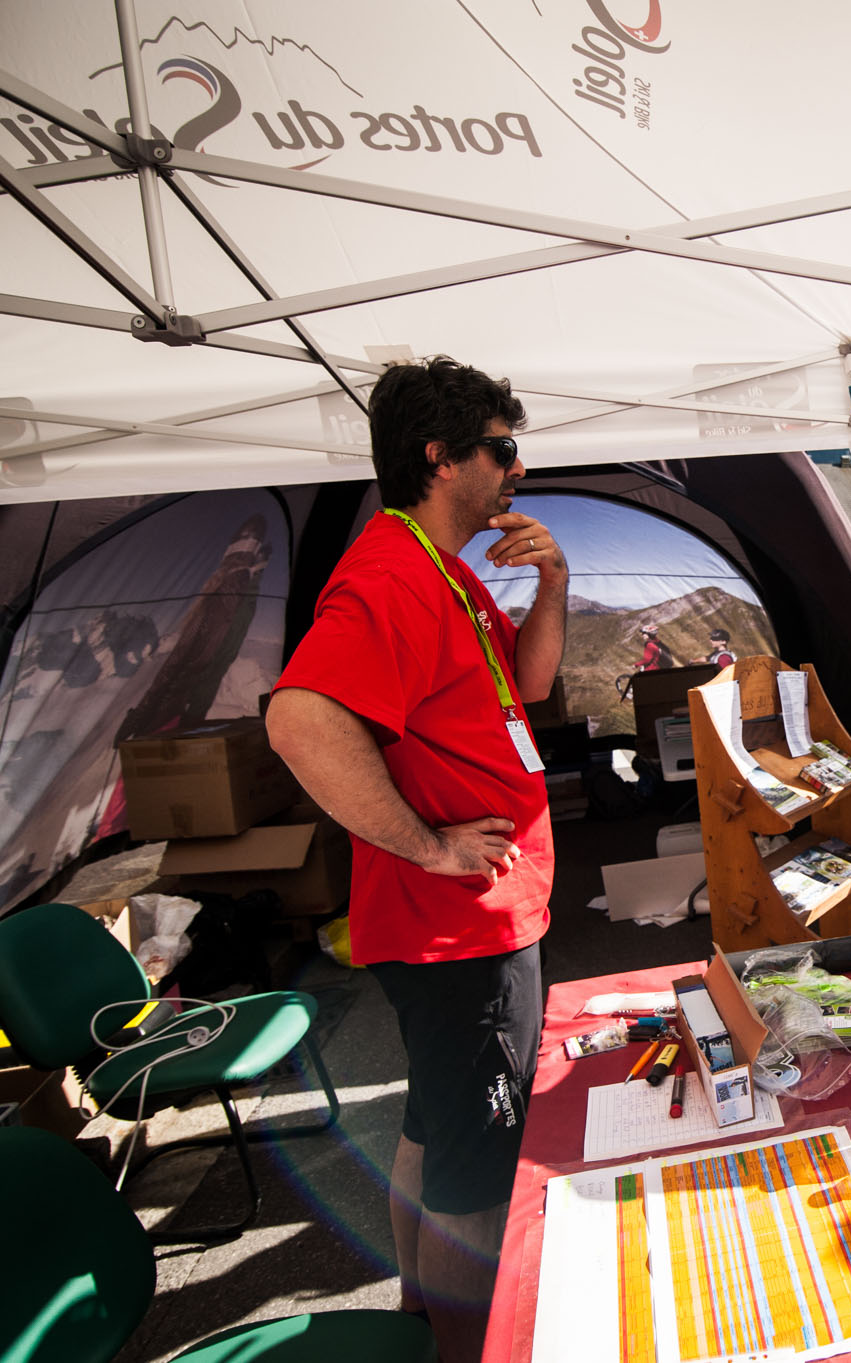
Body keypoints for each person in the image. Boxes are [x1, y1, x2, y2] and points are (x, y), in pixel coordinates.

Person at [265, 356, 568, 1363]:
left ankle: (417, 1313)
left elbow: (526, 685)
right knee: (479, 1164)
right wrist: (429, 844)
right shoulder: (390, 575)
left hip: (471, 920)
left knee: (437, 1127)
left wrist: (554, 582)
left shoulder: (444, 569)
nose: (516, 467)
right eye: (502, 447)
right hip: (459, 931)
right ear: (441, 457)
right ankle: (471, 1341)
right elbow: (301, 720)